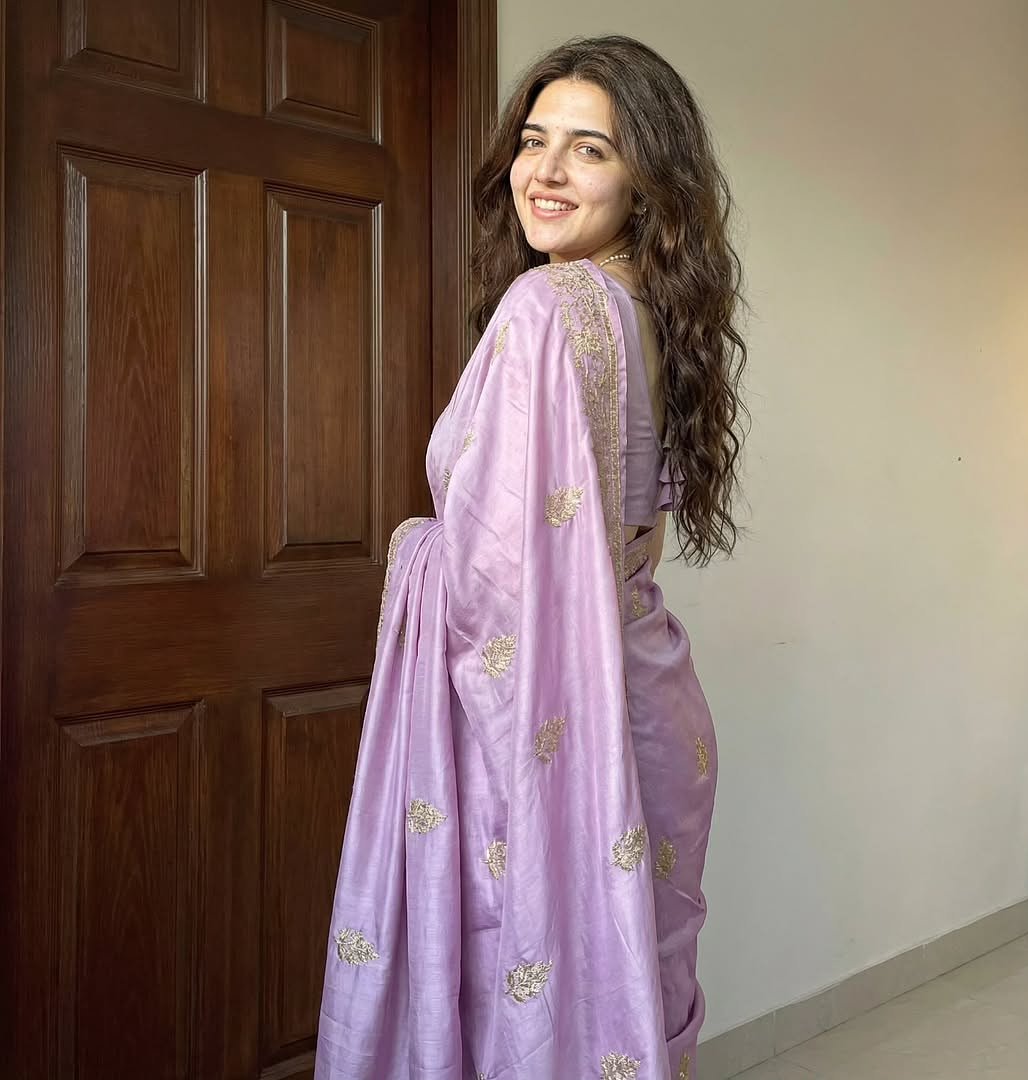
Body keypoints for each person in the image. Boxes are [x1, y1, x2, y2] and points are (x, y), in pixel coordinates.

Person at [315, 34, 747, 1080]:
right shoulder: (658, 314)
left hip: (554, 724)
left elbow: (494, 584)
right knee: (630, 1001)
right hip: (650, 705)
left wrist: (414, 545)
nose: (544, 172)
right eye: (533, 140)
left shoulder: (547, 307)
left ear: (645, 180)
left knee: (535, 1012)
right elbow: (626, 544)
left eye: (588, 149)